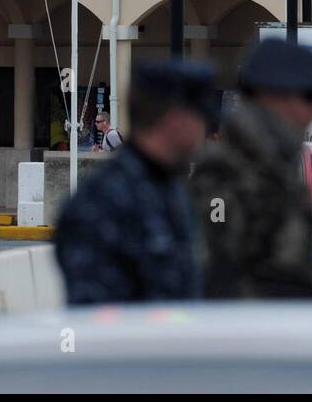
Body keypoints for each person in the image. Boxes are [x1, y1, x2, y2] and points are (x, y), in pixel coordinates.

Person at [55, 60, 215, 305]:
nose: (203, 132)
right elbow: (97, 315)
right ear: (175, 120)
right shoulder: (100, 202)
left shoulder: (170, 189)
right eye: (201, 119)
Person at [188, 39, 312, 299]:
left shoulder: (273, 164)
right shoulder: (224, 171)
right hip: (246, 332)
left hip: (271, 328)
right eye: (309, 96)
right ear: (270, 97)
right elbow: (223, 276)